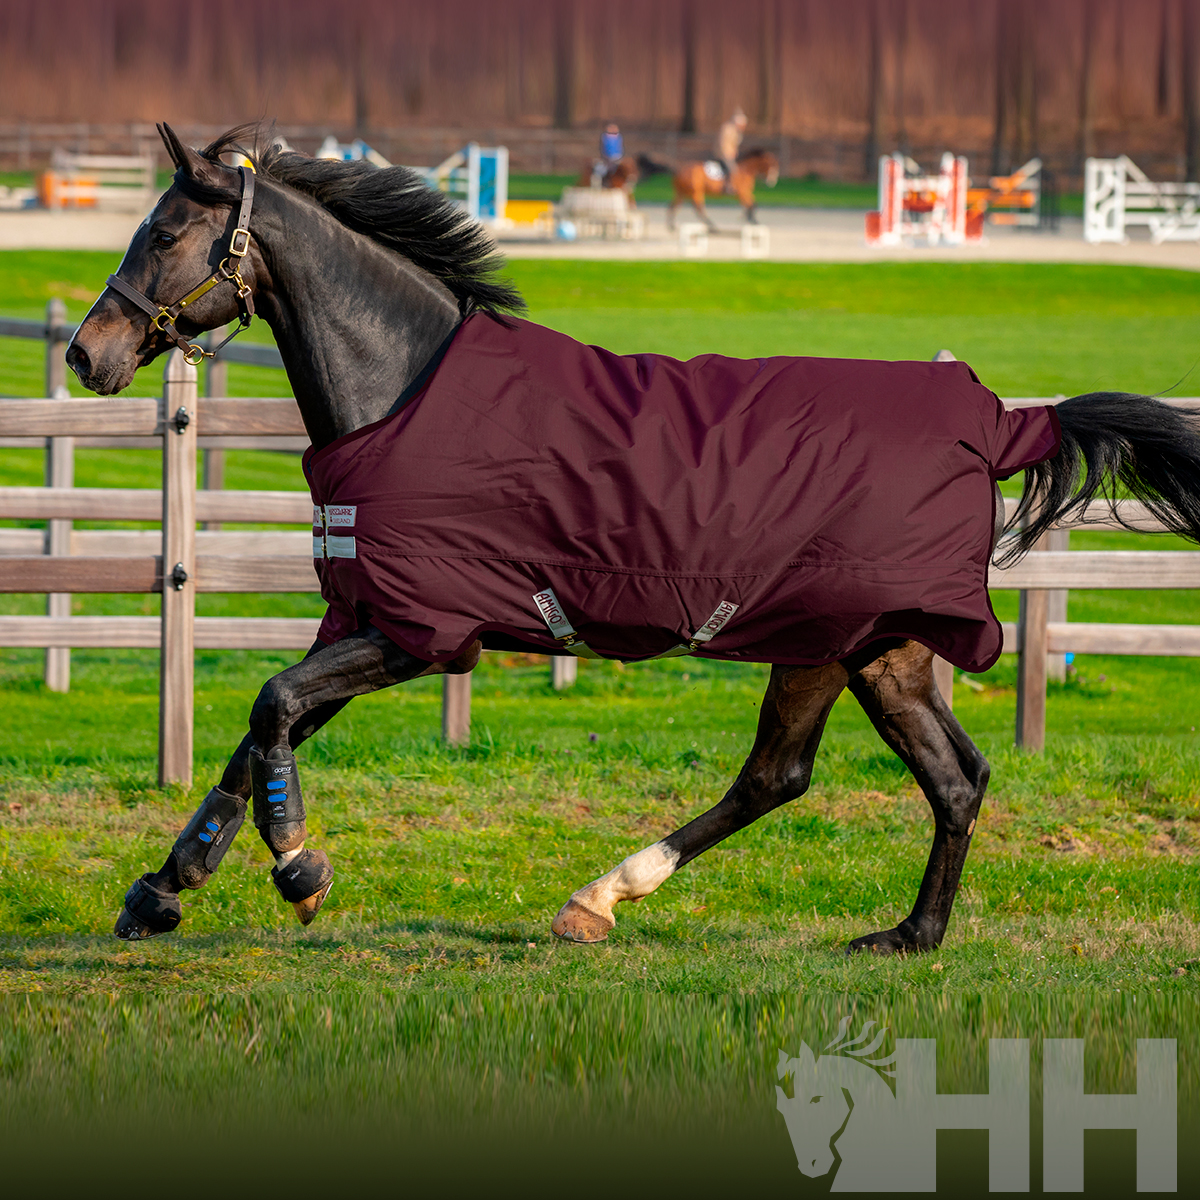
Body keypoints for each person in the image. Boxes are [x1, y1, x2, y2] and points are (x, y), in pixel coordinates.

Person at [714, 107, 747, 191]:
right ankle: (728, 186)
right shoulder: (727, 128)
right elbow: (723, 142)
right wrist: (727, 153)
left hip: (730, 154)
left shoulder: (736, 131)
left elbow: (734, 144)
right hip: (724, 153)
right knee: (732, 169)